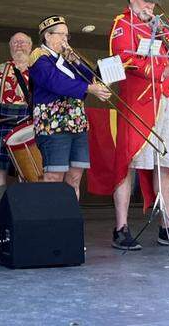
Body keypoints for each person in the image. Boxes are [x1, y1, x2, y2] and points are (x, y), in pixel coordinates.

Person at [105, 0, 169, 250]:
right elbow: (123, 58)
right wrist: (159, 71)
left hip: (165, 101)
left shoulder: (159, 25)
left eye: (153, 3)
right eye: (145, 1)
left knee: (164, 167)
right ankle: (120, 228)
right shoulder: (123, 24)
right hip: (139, 103)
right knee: (128, 164)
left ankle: (167, 227)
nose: (150, 7)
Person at [28, 16, 110, 199]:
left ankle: (70, 220)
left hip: (77, 123)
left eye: (67, 35)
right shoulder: (39, 57)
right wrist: (89, 88)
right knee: (53, 176)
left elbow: (89, 78)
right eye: (61, 34)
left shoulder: (67, 59)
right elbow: (56, 83)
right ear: (47, 36)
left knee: (75, 176)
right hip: (53, 124)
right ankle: (51, 222)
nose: (65, 39)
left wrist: (77, 62)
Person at [0, 32, 33, 213]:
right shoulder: (1, 69)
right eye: (15, 42)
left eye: (23, 42)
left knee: (26, 173)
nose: (19, 45)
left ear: (30, 46)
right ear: (10, 46)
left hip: (28, 124)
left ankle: (24, 217)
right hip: (3, 122)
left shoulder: (38, 69)